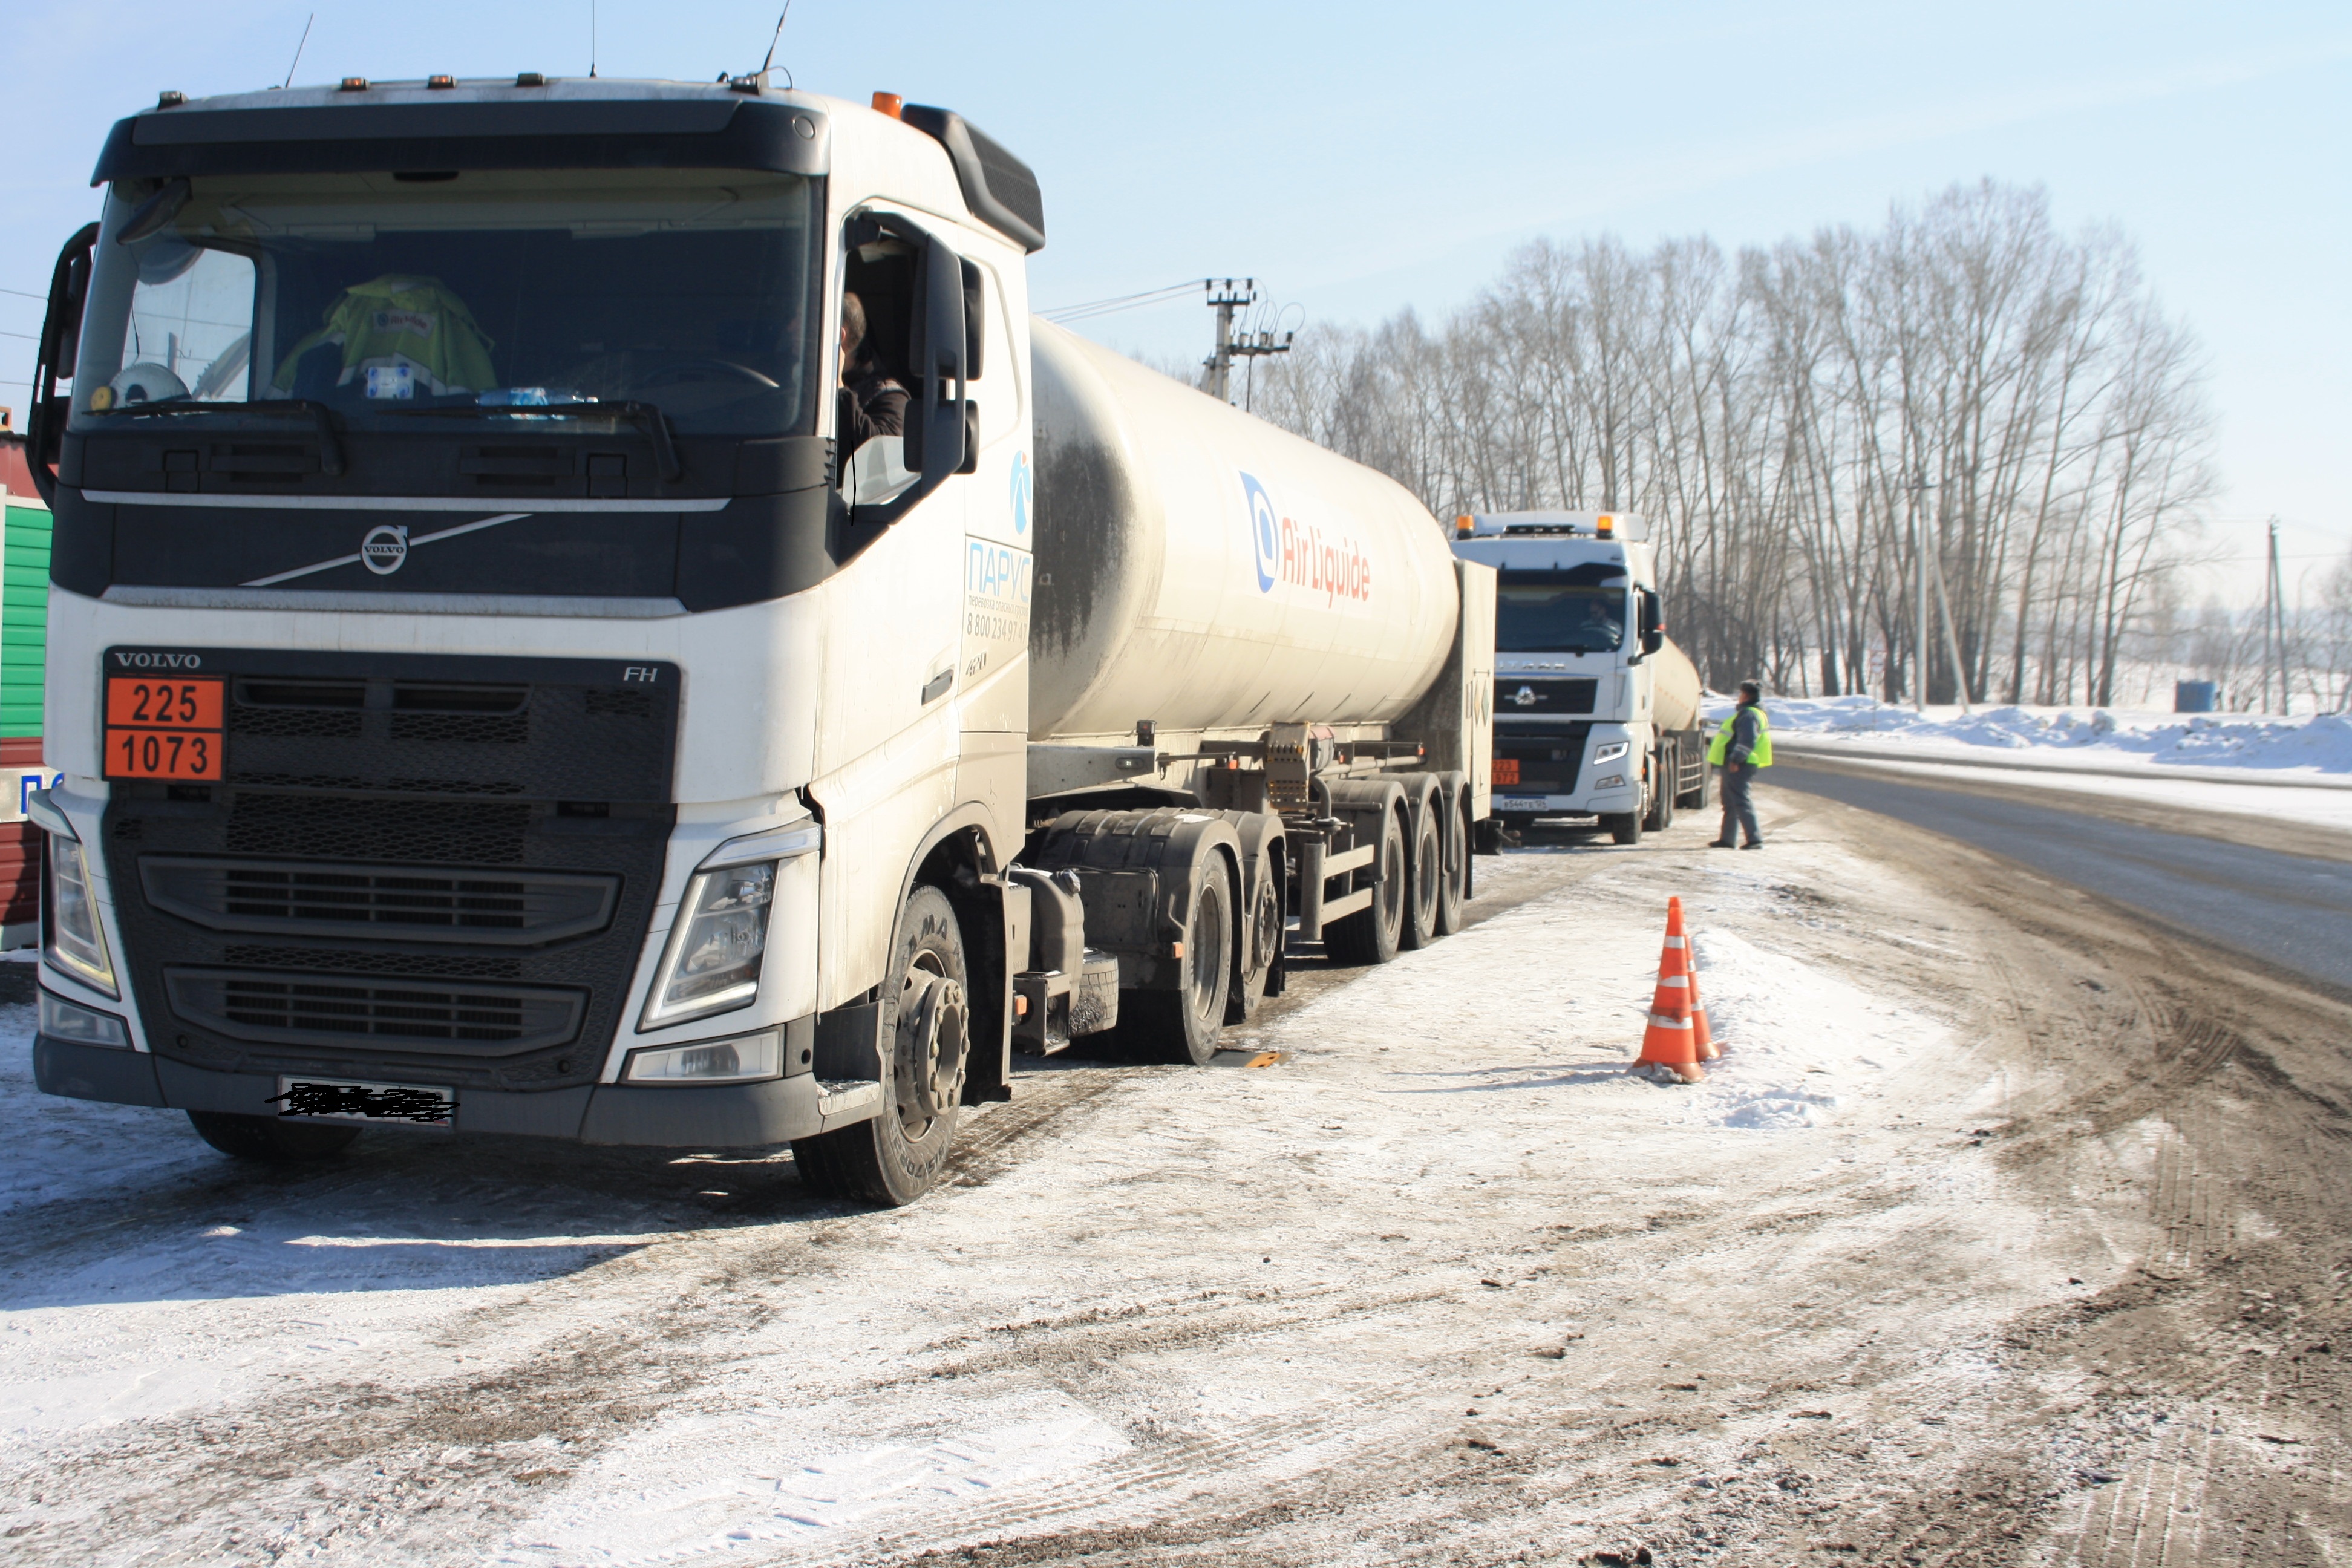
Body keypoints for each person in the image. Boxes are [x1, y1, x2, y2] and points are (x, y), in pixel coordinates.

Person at [835, 292, 907, 451]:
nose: (791, 327)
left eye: (803, 320)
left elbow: (880, 455)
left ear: (839, 337)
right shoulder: (796, 381)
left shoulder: (890, 395)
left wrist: (838, 387)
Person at [1707, 679, 1772, 849]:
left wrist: (1736, 760)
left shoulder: (1749, 715)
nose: (1739, 697)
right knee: (1730, 802)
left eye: (1741, 694)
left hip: (1741, 763)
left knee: (1741, 801)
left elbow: (1747, 740)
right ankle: (1727, 840)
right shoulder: (1753, 713)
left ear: (1746, 696)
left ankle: (1755, 839)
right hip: (1739, 762)